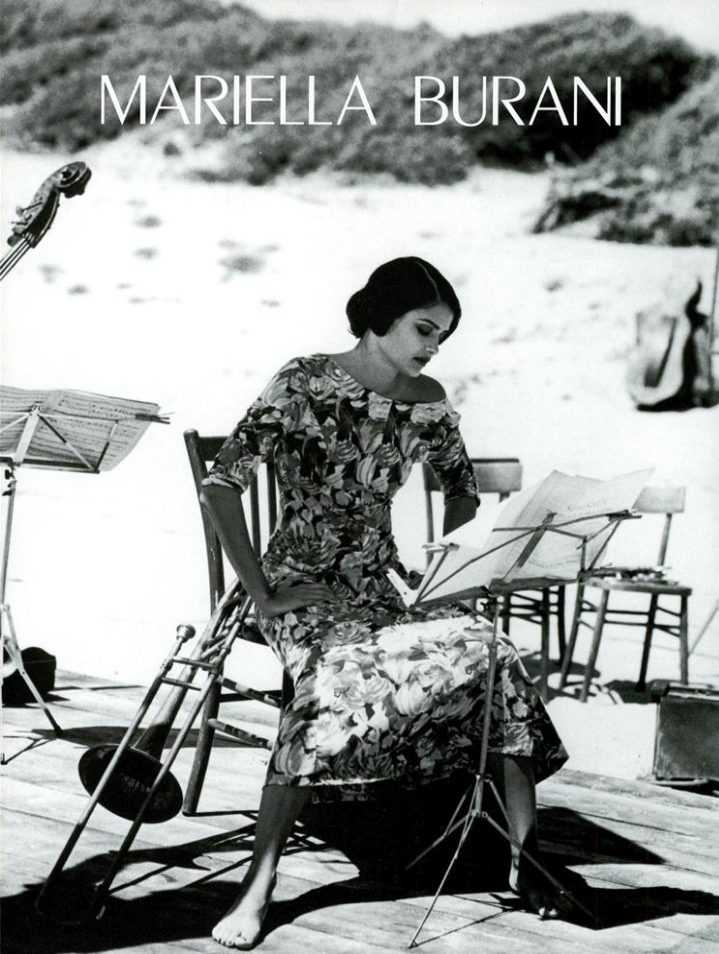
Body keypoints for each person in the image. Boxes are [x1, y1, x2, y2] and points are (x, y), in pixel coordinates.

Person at [202, 257, 570, 949]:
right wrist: (262, 594)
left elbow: (461, 490)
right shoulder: (303, 379)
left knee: (492, 652)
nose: (434, 346)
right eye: (424, 329)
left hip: (381, 582)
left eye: (442, 335)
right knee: (329, 675)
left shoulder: (428, 399)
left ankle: (527, 858)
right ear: (379, 318)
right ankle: (259, 881)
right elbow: (221, 484)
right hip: (301, 581)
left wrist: (453, 563)